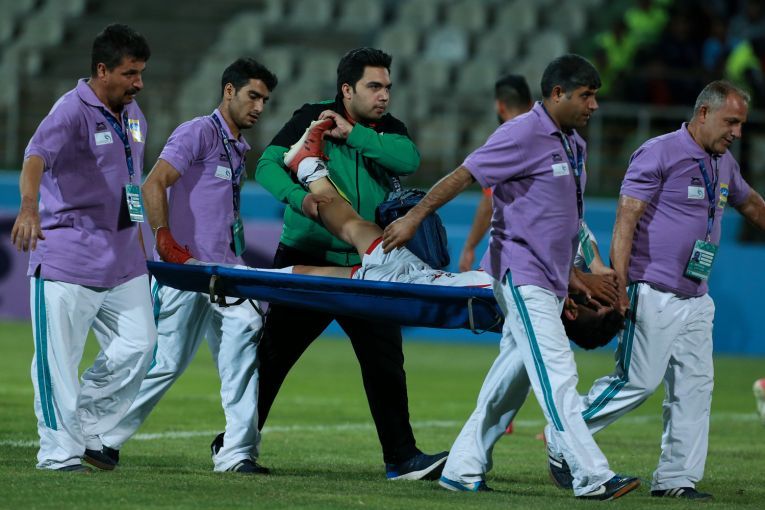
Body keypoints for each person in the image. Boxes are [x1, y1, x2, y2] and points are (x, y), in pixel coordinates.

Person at [381, 54, 640, 499]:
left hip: (551, 278)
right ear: (557, 93)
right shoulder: (521, 133)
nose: (594, 105)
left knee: (511, 379)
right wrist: (414, 217)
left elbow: (562, 219)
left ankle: (462, 468)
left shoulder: (574, 144)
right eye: (586, 95)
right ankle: (591, 475)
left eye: (595, 96)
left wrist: (578, 272)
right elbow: (464, 174)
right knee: (557, 372)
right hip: (522, 274)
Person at [547, 80, 765, 500]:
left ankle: (676, 478)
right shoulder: (658, 152)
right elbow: (625, 220)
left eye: (741, 124)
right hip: (653, 290)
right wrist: (620, 285)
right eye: (731, 122)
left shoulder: (723, 163)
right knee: (636, 382)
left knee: (695, 388)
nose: (737, 132)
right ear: (704, 113)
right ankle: (563, 433)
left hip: (696, 295)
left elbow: (752, 204)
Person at [254, 47, 448, 480]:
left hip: (367, 266)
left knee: (386, 365)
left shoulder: (388, 130)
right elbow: (266, 165)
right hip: (309, 257)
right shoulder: (312, 116)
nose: (384, 96)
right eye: (374, 87)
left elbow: (409, 161)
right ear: (347, 89)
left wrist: (352, 134)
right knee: (273, 359)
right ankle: (236, 445)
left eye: (388, 87)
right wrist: (299, 199)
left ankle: (402, 459)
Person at [98, 58, 278, 474]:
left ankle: (235, 453)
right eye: (253, 96)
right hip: (187, 270)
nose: (259, 107)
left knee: (243, 350)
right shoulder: (198, 132)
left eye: (265, 100)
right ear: (229, 91)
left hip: (226, 272)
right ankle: (103, 437)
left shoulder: (238, 148)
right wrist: (163, 239)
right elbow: (153, 183)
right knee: (165, 362)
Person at [9, 24, 156, 472]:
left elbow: (130, 182)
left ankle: (87, 425)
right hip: (68, 256)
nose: (139, 83)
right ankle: (59, 453)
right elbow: (35, 157)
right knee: (59, 363)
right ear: (102, 70)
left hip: (123, 258)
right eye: (130, 73)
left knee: (141, 345)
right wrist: (29, 207)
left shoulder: (133, 113)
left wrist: (141, 240)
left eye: (141, 73)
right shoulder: (70, 110)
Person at [459, 74, 532, 273]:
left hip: (523, 260)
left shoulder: (506, 142)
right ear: (530, 103)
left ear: (499, 106)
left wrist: (469, 247)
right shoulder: (555, 137)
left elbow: (488, 203)